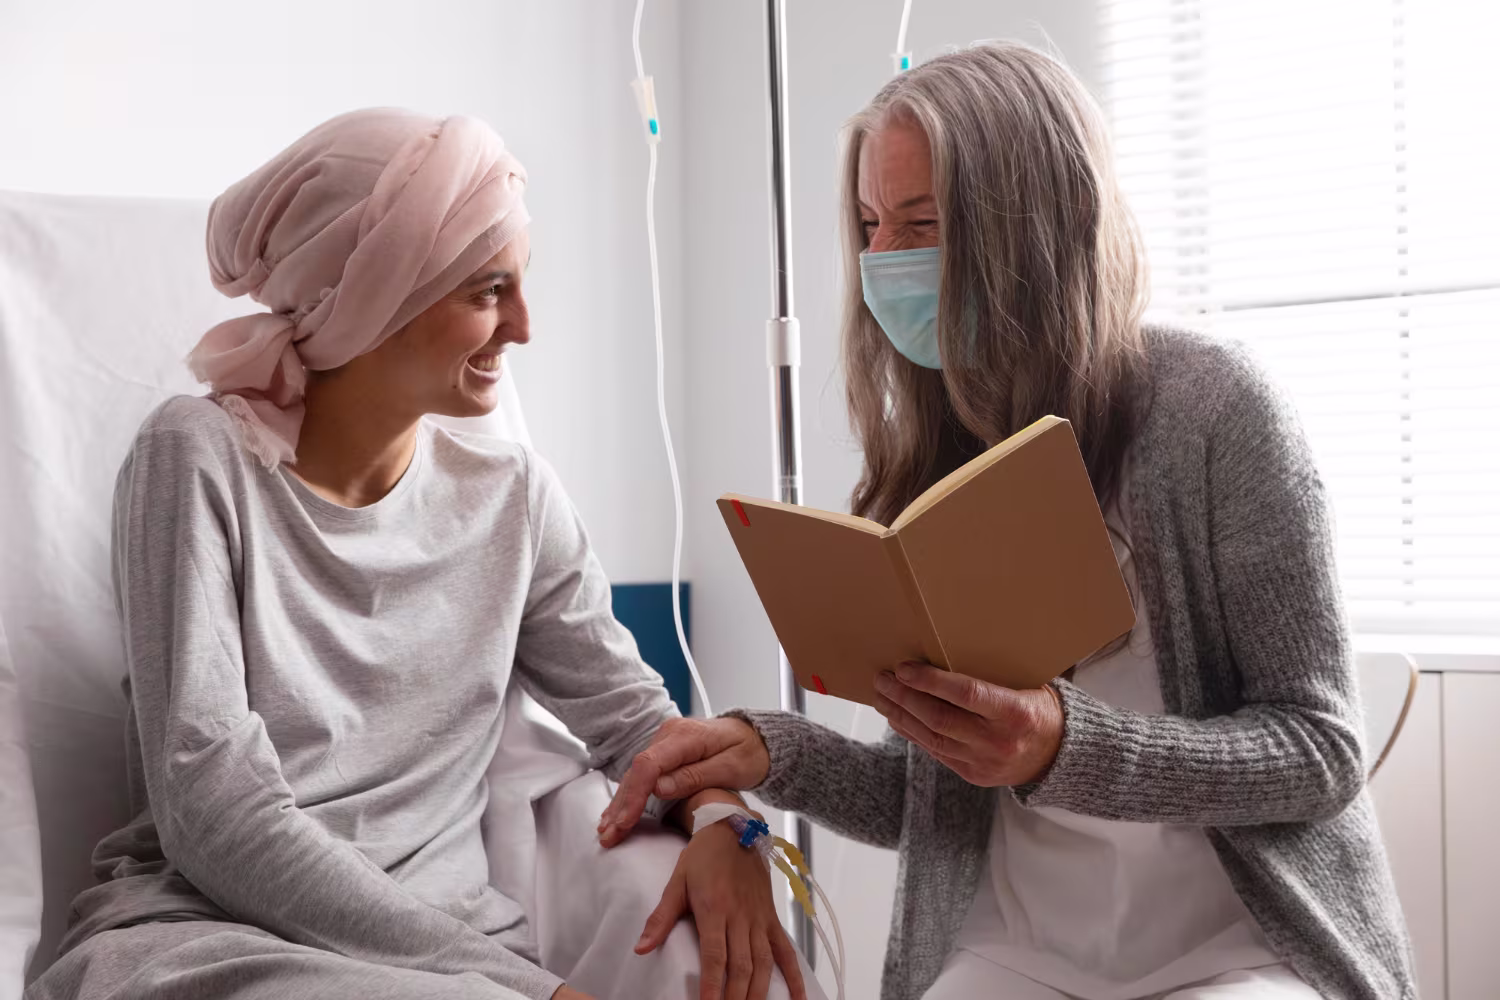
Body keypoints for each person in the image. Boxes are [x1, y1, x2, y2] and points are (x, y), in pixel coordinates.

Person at [599, 41, 1416, 1000]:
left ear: (1032, 231)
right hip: (1018, 947)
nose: (883, 262)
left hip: (1239, 947)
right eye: (869, 225)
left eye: (923, 224)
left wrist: (1065, 748)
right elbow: (928, 793)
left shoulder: (1216, 413)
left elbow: (1319, 754)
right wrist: (778, 751)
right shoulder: (938, 451)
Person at [25, 109, 804, 1000]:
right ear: (373, 303)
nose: (523, 326)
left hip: (451, 958)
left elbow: (630, 723)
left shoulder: (512, 495)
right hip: (215, 938)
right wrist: (521, 986)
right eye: (487, 292)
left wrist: (723, 821)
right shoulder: (195, 457)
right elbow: (212, 816)